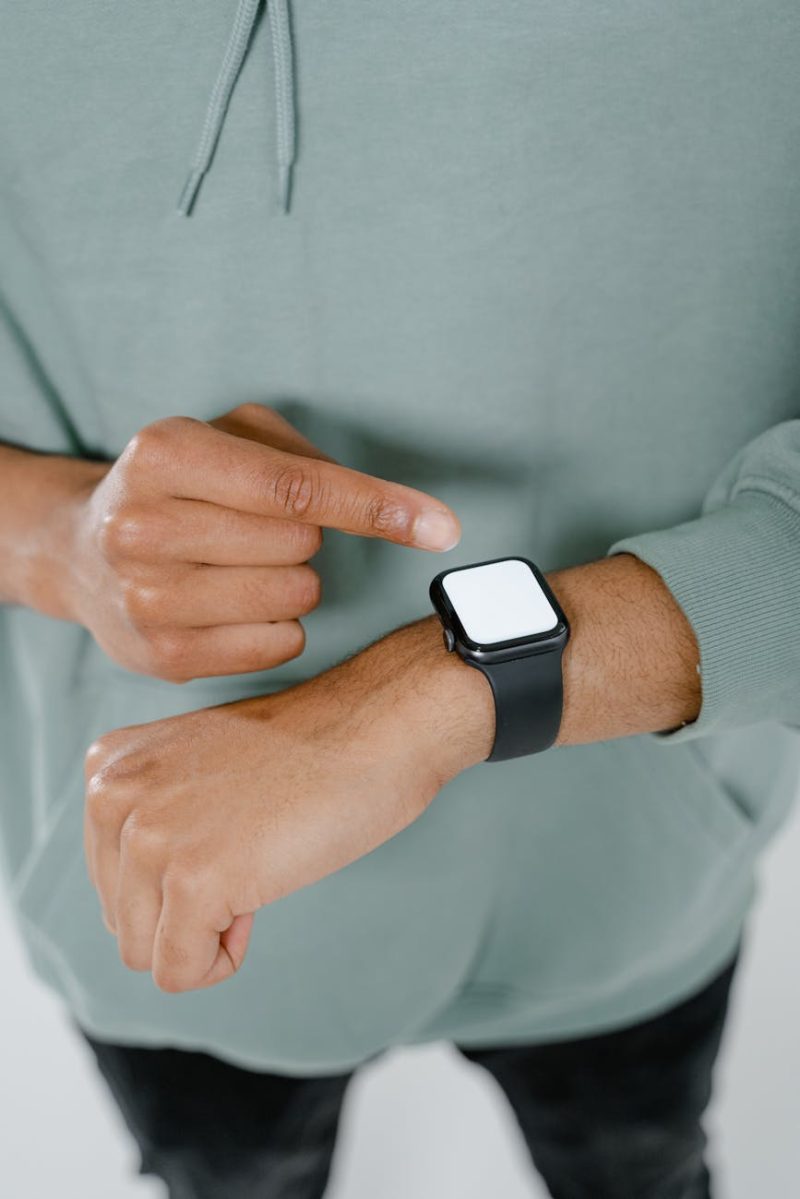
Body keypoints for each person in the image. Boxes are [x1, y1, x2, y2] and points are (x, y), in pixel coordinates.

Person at [1, 2, 798, 1196]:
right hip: (160, 865)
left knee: (639, 1162)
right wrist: (56, 535)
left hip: (632, 859)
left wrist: (434, 698)